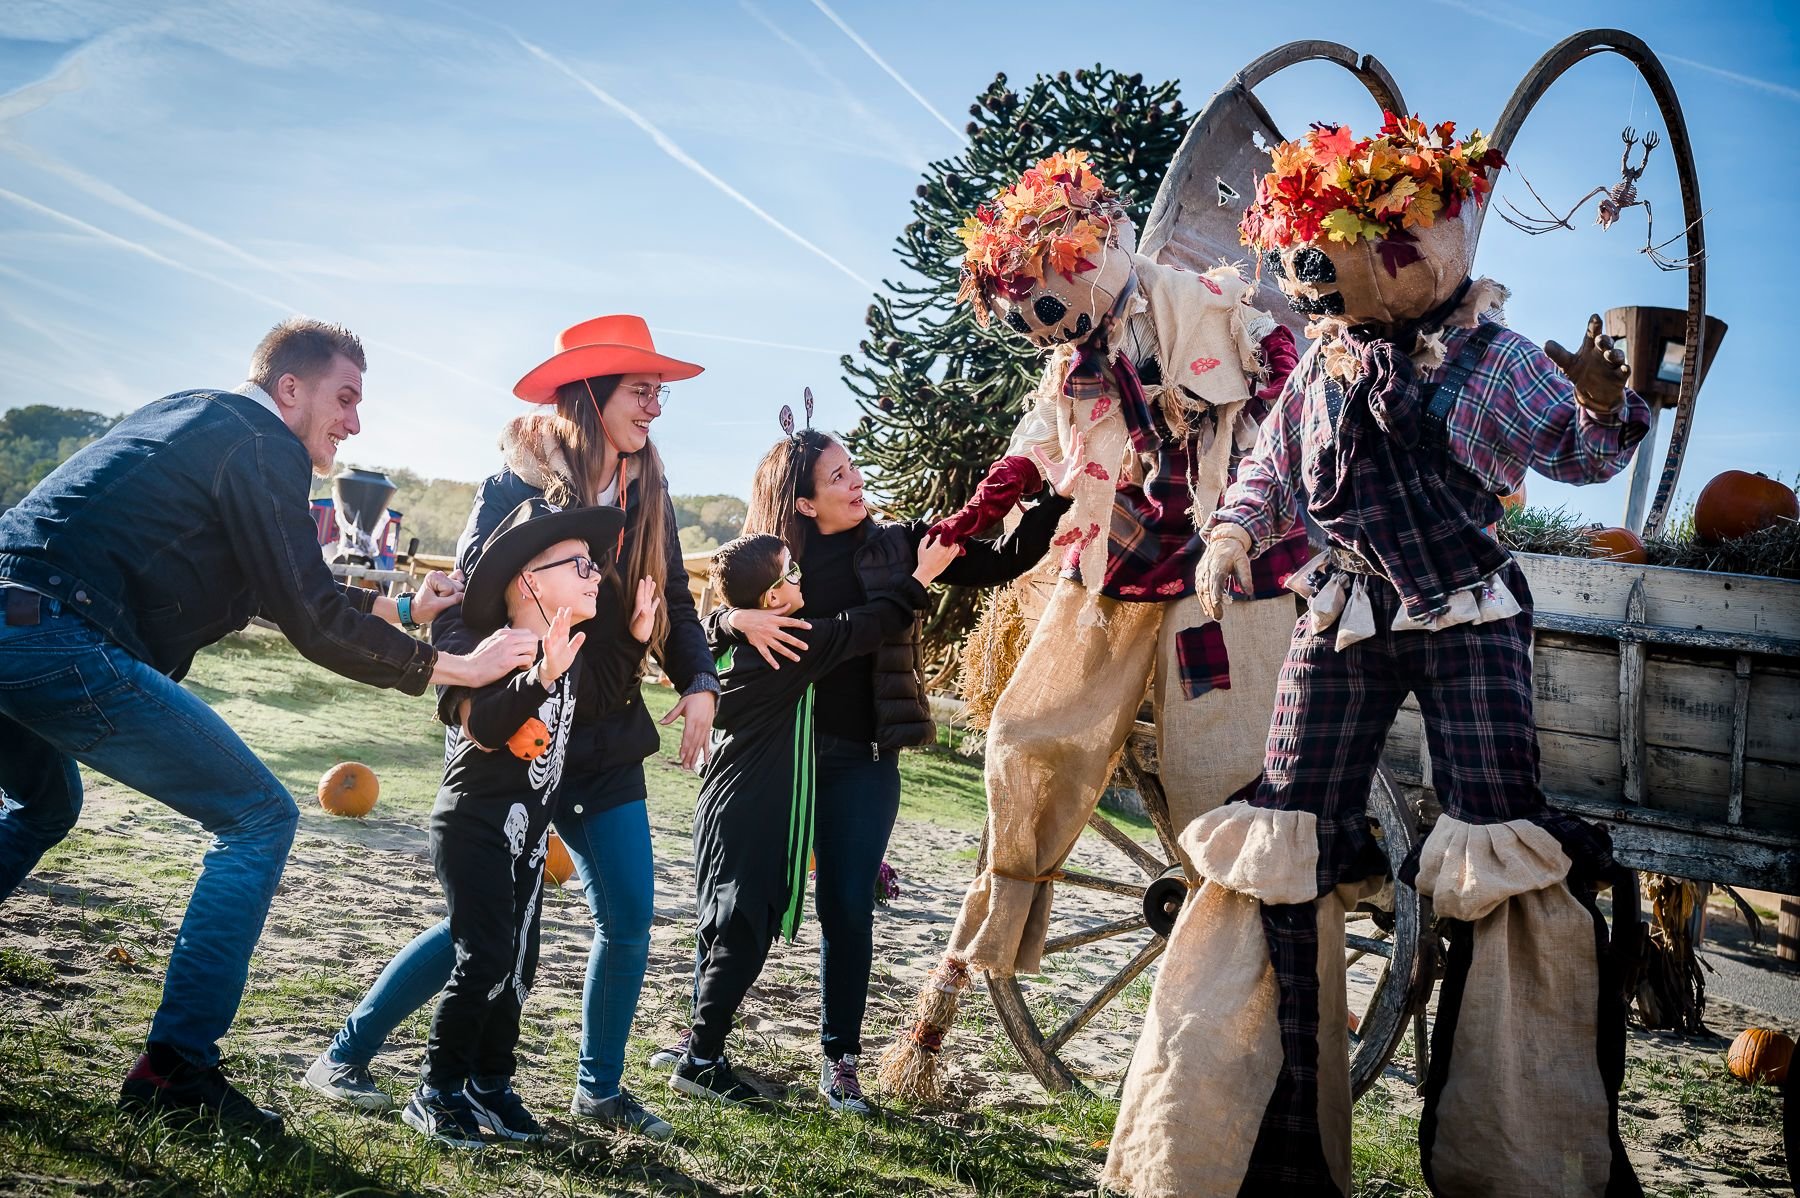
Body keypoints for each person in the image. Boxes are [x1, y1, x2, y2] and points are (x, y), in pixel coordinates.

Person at [1104, 115, 1645, 1197]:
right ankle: (1243, 1149)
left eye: (1354, 238)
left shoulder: (1494, 363)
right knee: (1283, 826)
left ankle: (1522, 1152)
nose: (1321, 265)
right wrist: (1230, 531)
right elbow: (1269, 470)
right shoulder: (1323, 362)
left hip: (1466, 614)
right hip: (1344, 608)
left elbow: (1581, 455)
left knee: (1500, 829)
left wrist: (1607, 398)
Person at [0, 318, 536, 1135]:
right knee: (258, 816)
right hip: (55, 635)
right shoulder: (261, 444)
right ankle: (176, 1070)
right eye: (345, 398)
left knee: (46, 805)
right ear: (290, 388)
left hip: (16, 621)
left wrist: (398, 607)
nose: (354, 423)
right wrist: (454, 666)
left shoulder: (199, 415)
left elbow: (272, 587)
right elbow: (312, 618)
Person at [305, 315, 715, 1140]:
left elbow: (670, 601)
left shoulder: (649, 494)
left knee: (630, 914)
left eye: (660, 393)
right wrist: (468, 698)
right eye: (644, 391)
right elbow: (458, 607)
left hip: (603, 738)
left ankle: (596, 1088)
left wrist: (699, 681)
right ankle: (347, 1054)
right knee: (486, 925)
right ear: (596, 393)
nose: (657, 409)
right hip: (518, 731)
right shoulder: (512, 491)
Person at [668, 416, 1079, 1114]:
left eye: (853, 467)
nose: (856, 481)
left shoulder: (900, 546)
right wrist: (735, 622)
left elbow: (1001, 561)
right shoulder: (774, 561)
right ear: (803, 502)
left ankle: (841, 1061)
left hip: (863, 758)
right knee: (743, 899)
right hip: (780, 762)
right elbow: (708, 620)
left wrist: (1056, 503)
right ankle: (703, 1043)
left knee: (847, 909)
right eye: (837, 477)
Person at [670, 530, 959, 1107]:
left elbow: (705, 633)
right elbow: (870, 625)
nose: (803, 577)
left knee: (725, 923)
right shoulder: (793, 642)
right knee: (744, 932)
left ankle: (702, 1049)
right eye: (792, 573)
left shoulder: (742, 642)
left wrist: (729, 619)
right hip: (756, 801)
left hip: (726, 794)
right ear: (773, 599)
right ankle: (700, 1060)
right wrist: (921, 577)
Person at [402, 497, 643, 1148]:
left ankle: (489, 1084)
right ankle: (435, 1091)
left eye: (595, 566)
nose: (596, 575)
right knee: (483, 960)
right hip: (473, 825)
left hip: (529, 838)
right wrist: (537, 677)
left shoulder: (568, 650)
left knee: (518, 969)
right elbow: (483, 724)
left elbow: (602, 699)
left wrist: (639, 639)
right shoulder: (499, 650)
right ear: (532, 581)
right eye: (580, 565)